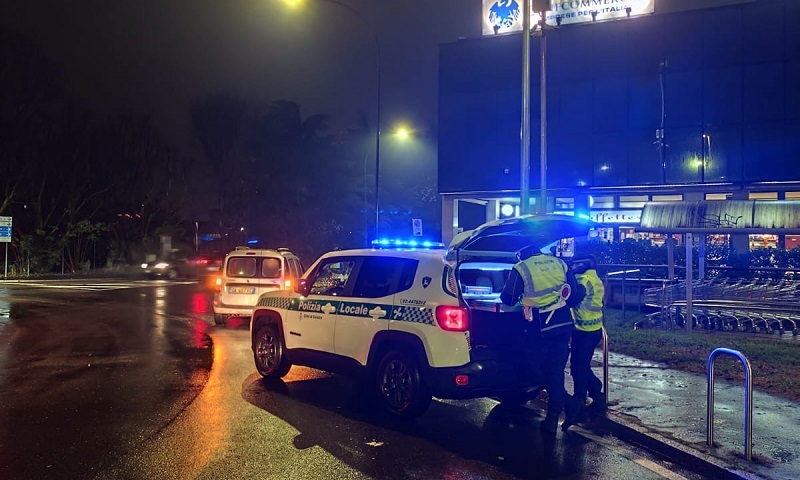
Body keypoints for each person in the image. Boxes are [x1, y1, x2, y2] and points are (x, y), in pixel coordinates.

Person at [500, 245, 585, 434]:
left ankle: (567, 407)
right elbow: (572, 298)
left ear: (522, 254)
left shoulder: (522, 267)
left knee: (538, 372)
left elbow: (508, 298)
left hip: (539, 328)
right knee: (555, 371)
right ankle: (558, 415)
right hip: (562, 325)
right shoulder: (559, 263)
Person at [562, 254, 606, 431]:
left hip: (584, 331)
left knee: (578, 367)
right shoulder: (594, 278)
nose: (572, 267)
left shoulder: (583, 280)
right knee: (581, 366)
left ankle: (581, 400)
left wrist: (568, 277)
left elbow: (571, 299)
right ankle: (595, 395)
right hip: (592, 329)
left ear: (583, 265)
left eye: (575, 264)